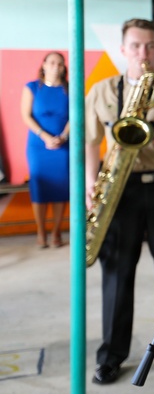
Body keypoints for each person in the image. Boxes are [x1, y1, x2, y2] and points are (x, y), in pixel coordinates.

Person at [83, 19, 154, 384]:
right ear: (123, 49)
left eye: (149, 46)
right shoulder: (101, 91)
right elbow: (88, 141)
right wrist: (90, 182)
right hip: (119, 188)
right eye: (135, 46)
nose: (142, 54)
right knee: (116, 275)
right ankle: (112, 356)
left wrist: (150, 134)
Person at [21, 51, 70, 248]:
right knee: (40, 189)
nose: (55, 67)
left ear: (64, 67)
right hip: (38, 146)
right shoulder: (32, 87)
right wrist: (45, 136)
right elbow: (26, 116)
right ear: (43, 65)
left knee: (60, 188)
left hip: (64, 145)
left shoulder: (69, 89)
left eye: (59, 63)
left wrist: (63, 137)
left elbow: (75, 116)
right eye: (51, 62)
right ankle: (41, 233)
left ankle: (56, 232)